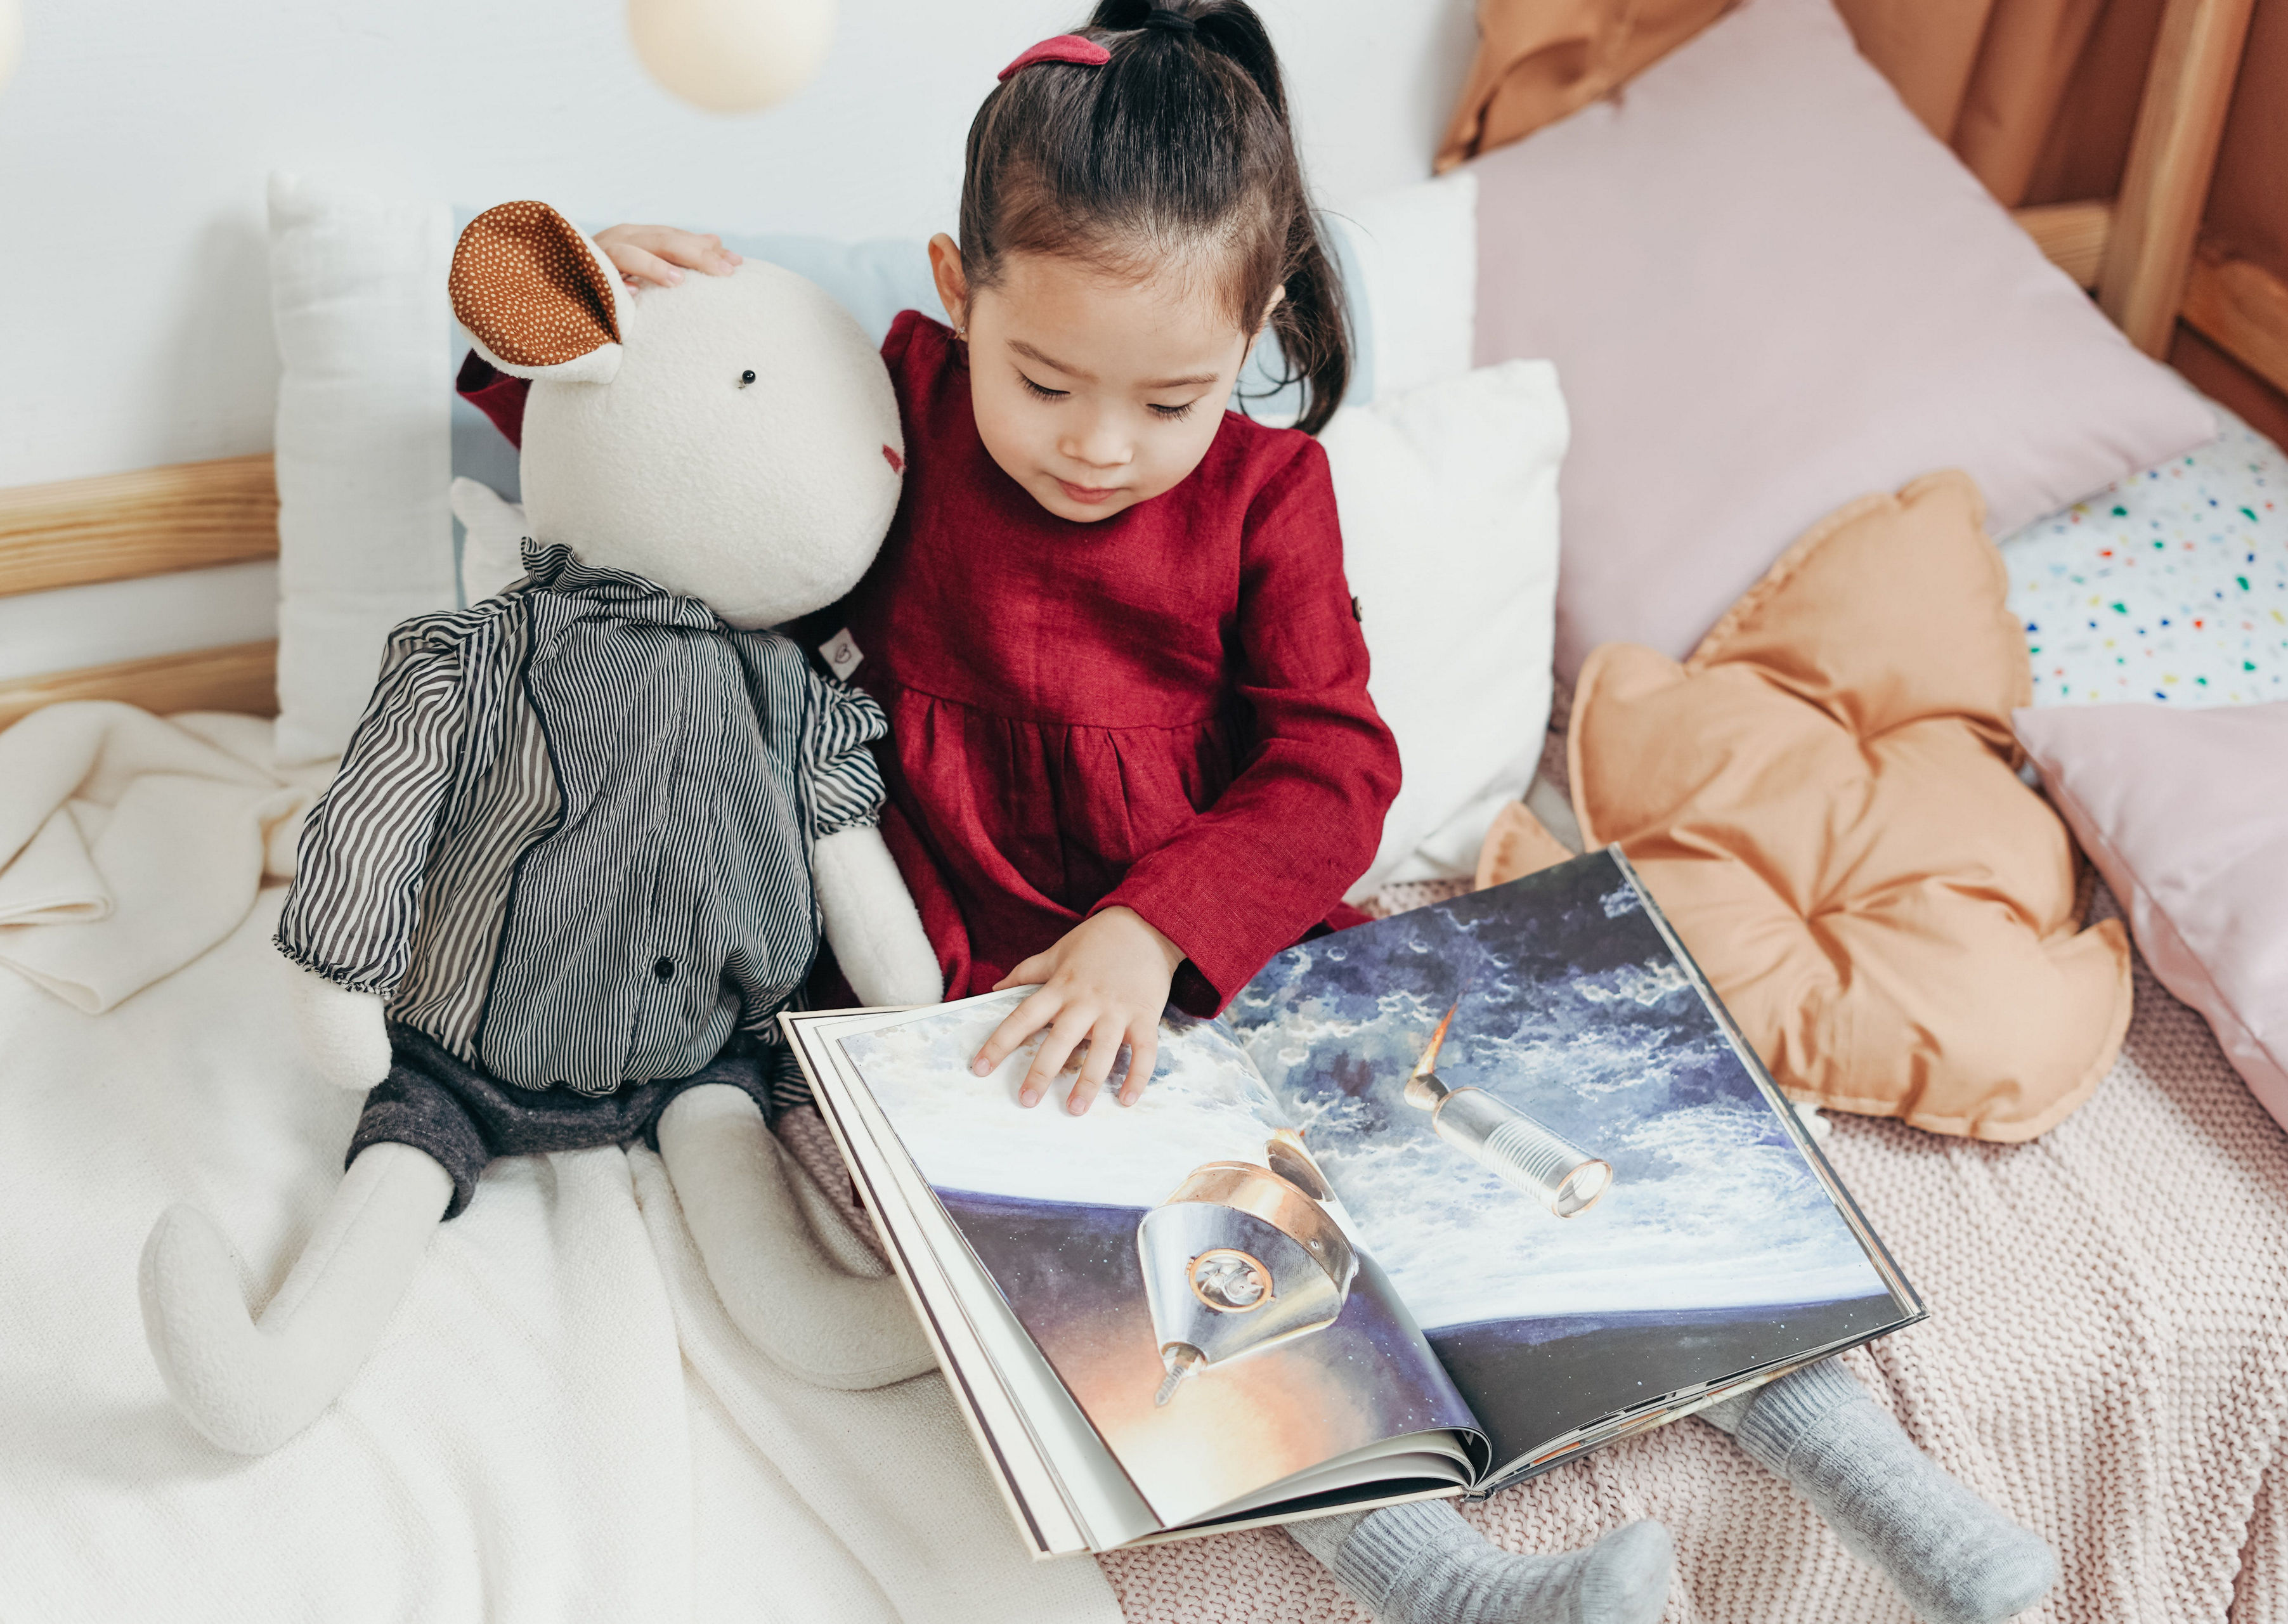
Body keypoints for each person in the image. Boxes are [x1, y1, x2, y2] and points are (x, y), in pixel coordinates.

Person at [485, 6, 2058, 1620]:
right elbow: (651, 458)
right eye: (1046, 382)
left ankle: (1913, 1512)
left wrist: (1158, 927)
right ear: (960, 299)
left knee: (1580, 1178)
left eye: (1170, 400)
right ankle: (1452, 1587)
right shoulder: (899, 401)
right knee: (1210, 1296)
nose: (1101, 447)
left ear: (1249, 341)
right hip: (1002, 1002)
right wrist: (608, 306)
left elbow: (1337, 768)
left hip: (1245, 945)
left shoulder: (1265, 498)